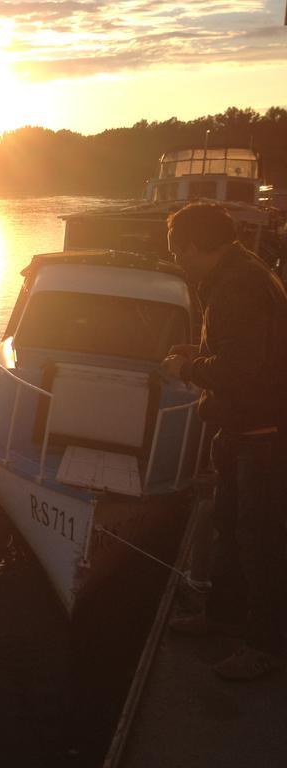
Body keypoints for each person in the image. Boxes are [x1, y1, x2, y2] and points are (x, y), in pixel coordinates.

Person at [160, 202, 287, 682]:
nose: (177, 261)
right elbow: (244, 350)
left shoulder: (237, 288)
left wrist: (187, 368)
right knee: (231, 532)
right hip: (243, 432)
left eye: (178, 251)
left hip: (263, 436)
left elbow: (242, 371)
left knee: (261, 544)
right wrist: (203, 351)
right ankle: (225, 617)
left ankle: (266, 647)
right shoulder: (240, 275)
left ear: (193, 245)